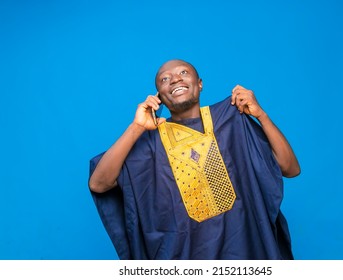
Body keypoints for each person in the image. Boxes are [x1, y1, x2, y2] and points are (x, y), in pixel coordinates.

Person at [88, 59, 300, 260]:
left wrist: (260, 115)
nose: (175, 79)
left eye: (183, 72)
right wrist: (137, 128)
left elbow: (290, 168)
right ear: (159, 96)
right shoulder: (150, 145)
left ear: (199, 84)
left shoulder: (233, 123)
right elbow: (99, 184)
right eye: (164, 79)